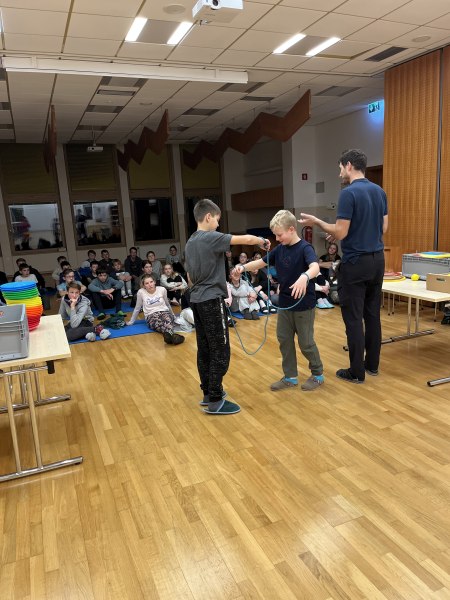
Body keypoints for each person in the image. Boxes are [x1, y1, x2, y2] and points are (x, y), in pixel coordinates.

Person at [299, 148, 388, 383]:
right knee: (372, 315)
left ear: (349, 165)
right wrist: (349, 232)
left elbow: (340, 232)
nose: (339, 172)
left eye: (340, 167)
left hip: (356, 263)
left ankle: (356, 372)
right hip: (377, 261)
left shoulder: (348, 193)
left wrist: (318, 221)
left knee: (353, 318)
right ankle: (372, 366)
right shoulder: (380, 191)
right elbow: (383, 228)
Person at [184, 198, 270, 415]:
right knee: (221, 349)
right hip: (211, 300)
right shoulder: (210, 237)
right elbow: (246, 238)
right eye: (217, 220)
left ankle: (208, 392)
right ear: (208, 217)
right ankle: (215, 399)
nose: (218, 225)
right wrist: (261, 240)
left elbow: (189, 276)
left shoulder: (190, 241)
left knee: (205, 348)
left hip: (196, 299)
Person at [234, 209, 324, 392]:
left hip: (304, 306)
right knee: (284, 340)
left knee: (306, 343)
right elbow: (260, 263)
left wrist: (305, 276)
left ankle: (317, 374)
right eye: (275, 235)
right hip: (284, 305)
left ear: (291, 229)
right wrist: (242, 268)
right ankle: (290, 377)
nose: (276, 238)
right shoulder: (279, 249)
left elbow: (315, 267)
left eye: (279, 234)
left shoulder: (305, 248)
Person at [126, 274, 184, 345]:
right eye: (147, 283)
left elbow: (167, 304)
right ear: (144, 286)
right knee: (159, 323)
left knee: (167, 319)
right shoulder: (141, 292)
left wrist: (173, 315)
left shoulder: (162, 289)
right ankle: (173, 336)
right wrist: (131, 321)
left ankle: (169, 336)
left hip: (164, 311)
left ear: (154, 282)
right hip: (151, 315)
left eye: (151, 282)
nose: (150, 285)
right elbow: (137, 308)